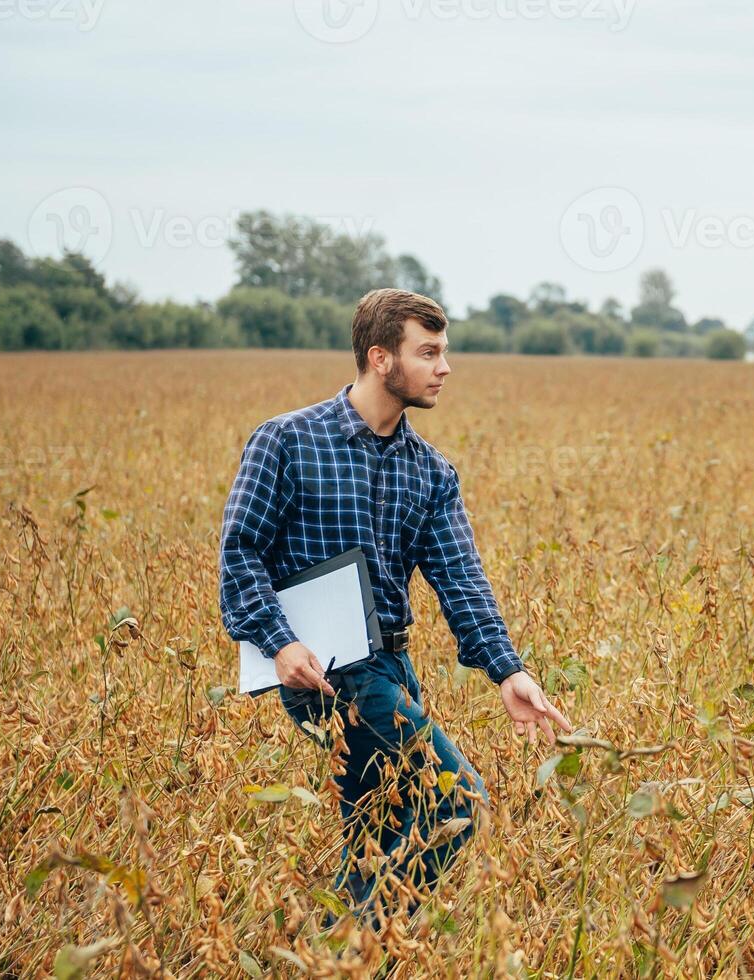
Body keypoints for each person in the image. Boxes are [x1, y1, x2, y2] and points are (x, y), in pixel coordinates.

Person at [218, 287, 572, 926]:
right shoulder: (287, 442)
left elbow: (461, 581)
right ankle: (362, 947)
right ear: (381, 358)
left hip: (391, 667)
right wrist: (279, 642)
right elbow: (239, 554)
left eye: (444, 353)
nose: (445, 368)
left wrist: (508, 671)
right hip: (325, 672)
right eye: (429, 352)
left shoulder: (432, 473)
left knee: (377, 832)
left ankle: (331, 952)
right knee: (457, 800)